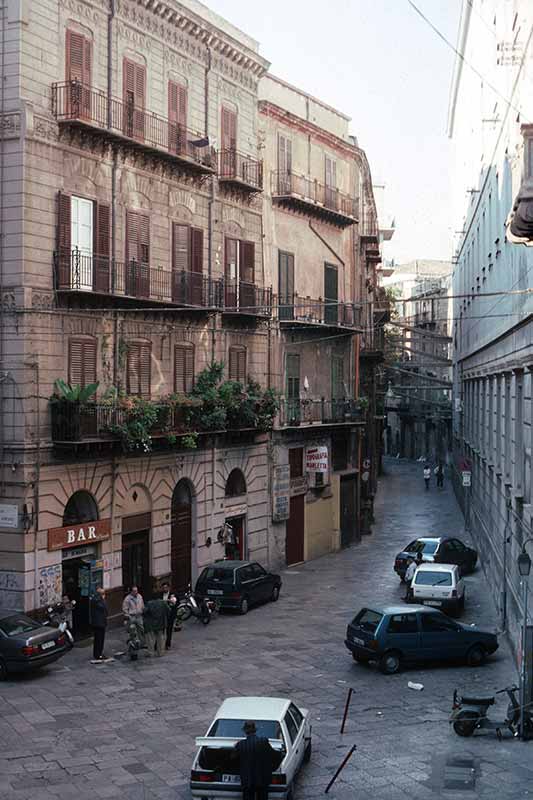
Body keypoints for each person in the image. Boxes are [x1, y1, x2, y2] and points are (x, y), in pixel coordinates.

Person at [235, 720, 277, 800]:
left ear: (245, 731)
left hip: (247, 781)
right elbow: (274, 755)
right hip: (262, 779)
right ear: (255, 730)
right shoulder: (263, 742)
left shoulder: (240, 745)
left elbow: (232, 759)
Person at [89, 586, 108, 662]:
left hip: (99, 622)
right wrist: (103, 600)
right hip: (99, 623)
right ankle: (98, 654)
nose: (104, 595)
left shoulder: (95, 600)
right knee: (99, 639)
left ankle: (97, 653)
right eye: (103, 593)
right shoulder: (97, 601)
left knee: (98, 639)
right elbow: (104, 608)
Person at [160, 582, 179, 648]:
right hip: (162, 614)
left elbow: (176, 603)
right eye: (163, 587)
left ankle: (168, 643)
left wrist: (171, 602)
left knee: (169, 629)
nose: (164, 589)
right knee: (161, 630)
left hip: (170, 614)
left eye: (166, 587)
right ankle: (160, 643)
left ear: (168, 588)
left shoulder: (173, 594)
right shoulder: (160, 595)